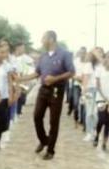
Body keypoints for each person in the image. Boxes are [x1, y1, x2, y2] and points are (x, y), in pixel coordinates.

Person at [16, 31, 75, 160]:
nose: (41, 41)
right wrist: (20, 79)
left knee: (54, 121)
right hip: (43, 90)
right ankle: (44, 140)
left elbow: (71, 72)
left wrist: (55, 79)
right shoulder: (43, 56)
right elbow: (37, 73)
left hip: (56, 91)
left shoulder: (64, 54)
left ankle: (50, 150)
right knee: (37, 116)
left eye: (43, 38)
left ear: (51, 39)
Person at [94, 51, 109, 150]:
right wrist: (104, 98)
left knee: (108, 121)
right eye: (108, 57)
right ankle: (97, 135)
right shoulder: (99, 69)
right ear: (105, 58)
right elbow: (98, 86)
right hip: (100, 98)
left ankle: (104, 142)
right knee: (101, 119)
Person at [81, 52, 99, 141]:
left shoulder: (88, 65)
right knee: (93, 113)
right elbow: (86, 78)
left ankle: (90, 132)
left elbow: (85, 79)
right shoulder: (94, 66)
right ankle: (92, 131)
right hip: (94, 90)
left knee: (90, 113)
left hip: (91, 90)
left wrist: (84, 92)